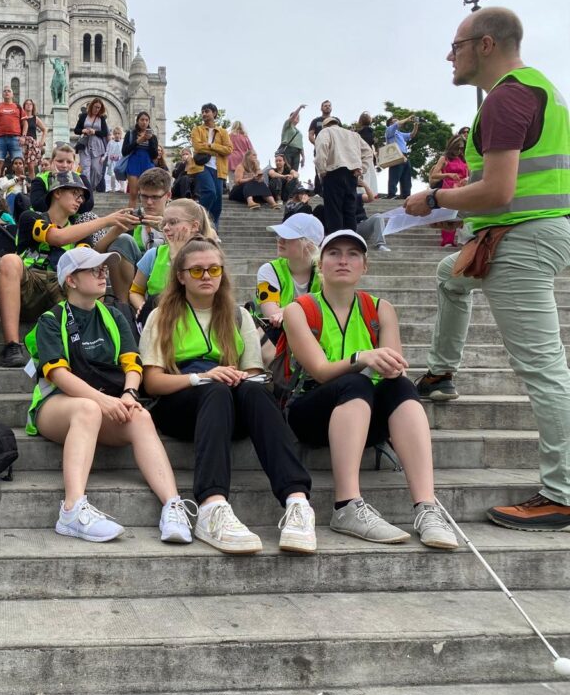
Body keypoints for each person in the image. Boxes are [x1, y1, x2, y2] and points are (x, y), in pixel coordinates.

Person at [405, 7, 570, 531]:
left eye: (454, 46)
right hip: (516, 233)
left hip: (519, 239)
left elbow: (497, 192)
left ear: (485, 45)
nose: (448, 57)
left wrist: (434, 197)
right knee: (447, 277)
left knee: (542, 368)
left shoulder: (506, 98)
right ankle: (441, 370)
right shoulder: (536, 89)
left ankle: (563, 492)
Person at [281, 229, 458, 549]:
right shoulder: (300, 309)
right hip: (311, 412)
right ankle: (346, 505)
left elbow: (393, 366)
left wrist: (389, 365)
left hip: (365, 413)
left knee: (401, 386)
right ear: (320, 264)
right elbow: (320, 372)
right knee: (355, 380)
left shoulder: (380, 308)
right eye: (334, 253)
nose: (343, 260)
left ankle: (426, 507)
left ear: (366, 266)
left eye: (353, 254)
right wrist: (361, 357)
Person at [141, 237, 316, 554]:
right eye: (196, 271)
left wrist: (238, 376)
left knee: (253, 391)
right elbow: (152, 383)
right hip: (179, 401)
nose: (206, 276)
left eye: (213, 269)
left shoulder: (237, 315)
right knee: (216, 389)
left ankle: (297, 501)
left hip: (226, 401)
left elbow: (253, 372)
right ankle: (211, 505)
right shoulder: (161, 315)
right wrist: (201, 377)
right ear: (180, 276)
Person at [27, 247, 191, 543]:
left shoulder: (114, 314)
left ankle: (172, 505)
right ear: (71, 281)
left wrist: (129, 393)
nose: (103, 273)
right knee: (87, 410)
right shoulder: (51, 319)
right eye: (93, 269)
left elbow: (132, 363)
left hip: (106, 403)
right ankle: (72, 510)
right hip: (56, 406)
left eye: (104, 268)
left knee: (140, 416)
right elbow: (58, 375)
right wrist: (102, 401)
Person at [0, 172, 138, 367]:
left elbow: (88, 258)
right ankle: (12, 345)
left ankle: (92, 346)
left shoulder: (81, 232)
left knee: (91, 275)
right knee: (9, 261)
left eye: (82, 197)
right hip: (30, 286)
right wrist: (106, 220)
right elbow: (57, 237)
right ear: (57, 193)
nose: (79, 200)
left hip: (62, 288)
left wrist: (118, 228)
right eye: (75, 193)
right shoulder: (31, 217)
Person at [129, 198, 217, 319]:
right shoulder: (153, 254)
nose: (165, 228)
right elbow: (135, 291)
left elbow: (195, 295)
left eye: (173, 222)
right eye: (164, 223)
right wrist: (144, 308)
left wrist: (176, 256)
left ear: (194, 226)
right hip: (159, 321)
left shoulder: (210, 258)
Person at [254, 213, 323, 364]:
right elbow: (272, 316)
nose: (280, 240)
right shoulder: (269, 270)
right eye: (279, 235)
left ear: (309, 245)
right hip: (276, 336)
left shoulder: (324, 272)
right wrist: (311, 307)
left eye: (288, 236)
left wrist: (287, 310)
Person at [96, 166, 171, 301]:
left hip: (167, 279)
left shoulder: (181, 219)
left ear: (168, 195)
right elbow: (96, 254)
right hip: (134, 281)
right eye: (144, 196)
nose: (149, 202)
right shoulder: (132, 217)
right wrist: (117, 229)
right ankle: (124, 308)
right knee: (123, 240)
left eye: (155, 197)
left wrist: (166, 230)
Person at [314, 116, 373, 234]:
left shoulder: (325, 131)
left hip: (333, 173)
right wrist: (362, 168)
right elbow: (368, 152)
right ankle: (351, 240)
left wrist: (322, 171)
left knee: (334, 211)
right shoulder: (353, 135)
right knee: (350, 211)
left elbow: (321, 150)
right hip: (352, 174)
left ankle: (337, 240)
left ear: (325, 125)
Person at [187, 104, 232, 228]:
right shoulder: (197, 130)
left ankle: (213, 230)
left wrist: (211, 146)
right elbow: (197, 146)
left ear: (214, 113)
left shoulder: (222, 132)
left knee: (218, 202)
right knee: (210, 192)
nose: (204, 114)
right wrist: (218, 149)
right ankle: (199, 219)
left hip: (219, 168)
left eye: (207, 111)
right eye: (202, 112)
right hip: (201, 166)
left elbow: (228, 149)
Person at [428, 136, 468, 247]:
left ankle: (463, 240)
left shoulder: (464, 158)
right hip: (448, 189)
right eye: (457, 148)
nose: (459, 151)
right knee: (449, 216)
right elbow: (434, 175)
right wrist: (448, 174)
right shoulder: (444, 158)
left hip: (462, 188)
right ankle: (448, 241)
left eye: (461, 148)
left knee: (462, 216)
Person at [0, 87, 25, 189]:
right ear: (3, 94)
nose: (7, 92)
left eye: (9, 91)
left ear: (13, 94)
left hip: (15, 138)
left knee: (19, 163)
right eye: (5, 91)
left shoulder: (18, 107)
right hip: (0, 139)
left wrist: (23, 137)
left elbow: (25, 123)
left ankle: (22, 187)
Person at [122, 111, 159, 212]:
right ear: (137, 121)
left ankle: (147, 217)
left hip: (147, 165)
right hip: (133, 164)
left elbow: (155, 155)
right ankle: (130, 220)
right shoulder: (130, 134)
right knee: (133, 193)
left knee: (148, 194)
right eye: (142, 120)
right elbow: (124, 151)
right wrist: (139, 140)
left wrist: (150, 140)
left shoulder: (153, 136)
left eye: (146, 120)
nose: (144, 122)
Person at [74, 98, 109, 191]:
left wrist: (95, 132)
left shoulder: (101, 118)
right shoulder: (83, 116)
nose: (97, 109)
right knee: (85, 168)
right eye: (95, 107)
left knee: (96, 169)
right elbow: (76, 130)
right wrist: (83, 130)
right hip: (85, 145)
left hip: (97, 146)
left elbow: (105, 132)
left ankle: (91, 186)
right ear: (91, 106)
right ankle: (87, 189)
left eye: (99, 108)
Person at [384, 115, 419, 199]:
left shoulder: (399, 133)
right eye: (395, 121)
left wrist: (416, 125)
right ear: (390, 124)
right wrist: (407, 118)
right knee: (394, 175)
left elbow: (411, 135)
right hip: (396, 155)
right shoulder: (389, 130)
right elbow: (397, 124)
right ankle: (391, 194)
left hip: (404, 155)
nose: (398, 122)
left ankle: (406, 195)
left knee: (406, 177)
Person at [355, 111, 379, 200]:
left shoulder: (358, 133)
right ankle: (372, 192)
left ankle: (362, 192)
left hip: (361, 156)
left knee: (364, 174)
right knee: (371, 175)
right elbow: (374, 143)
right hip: (369, 156)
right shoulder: (372, 132)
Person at [21, 99, 47, 177]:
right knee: (21, 165)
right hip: (22, 143)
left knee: (31, 166)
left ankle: (33, 186)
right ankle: (22, 185)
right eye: (27, 104)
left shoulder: (35, 118)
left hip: (32, 144)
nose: (28, 105)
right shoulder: (21, 118)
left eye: (30, 104)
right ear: (24, 106)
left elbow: (45, 129)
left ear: (33, 107)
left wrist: (42, 141)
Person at [280, 104, 306, 172]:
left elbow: (301, 145)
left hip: (297, 152)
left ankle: (294, 182)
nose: (297, 117)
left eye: (298, 117)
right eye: (296, 116)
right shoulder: (287, 125)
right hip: (288, 150)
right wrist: (299, 108)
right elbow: (293, 117)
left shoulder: (299, 132)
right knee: (287, 171)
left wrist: (303, 157)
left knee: (294, 173)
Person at [105, 127, 125, 192]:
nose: (117, 135)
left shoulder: (123, 142)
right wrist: (105, 157)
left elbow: (124, 152)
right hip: (112, 162)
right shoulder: (111, 142)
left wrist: (119, 157)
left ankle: (122, 188)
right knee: (112, 175)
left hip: (120, 162)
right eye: (115, 133)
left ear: (121, 134)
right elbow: (107, 151)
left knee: (121, 175)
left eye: (118, 133)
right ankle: (112, 188)